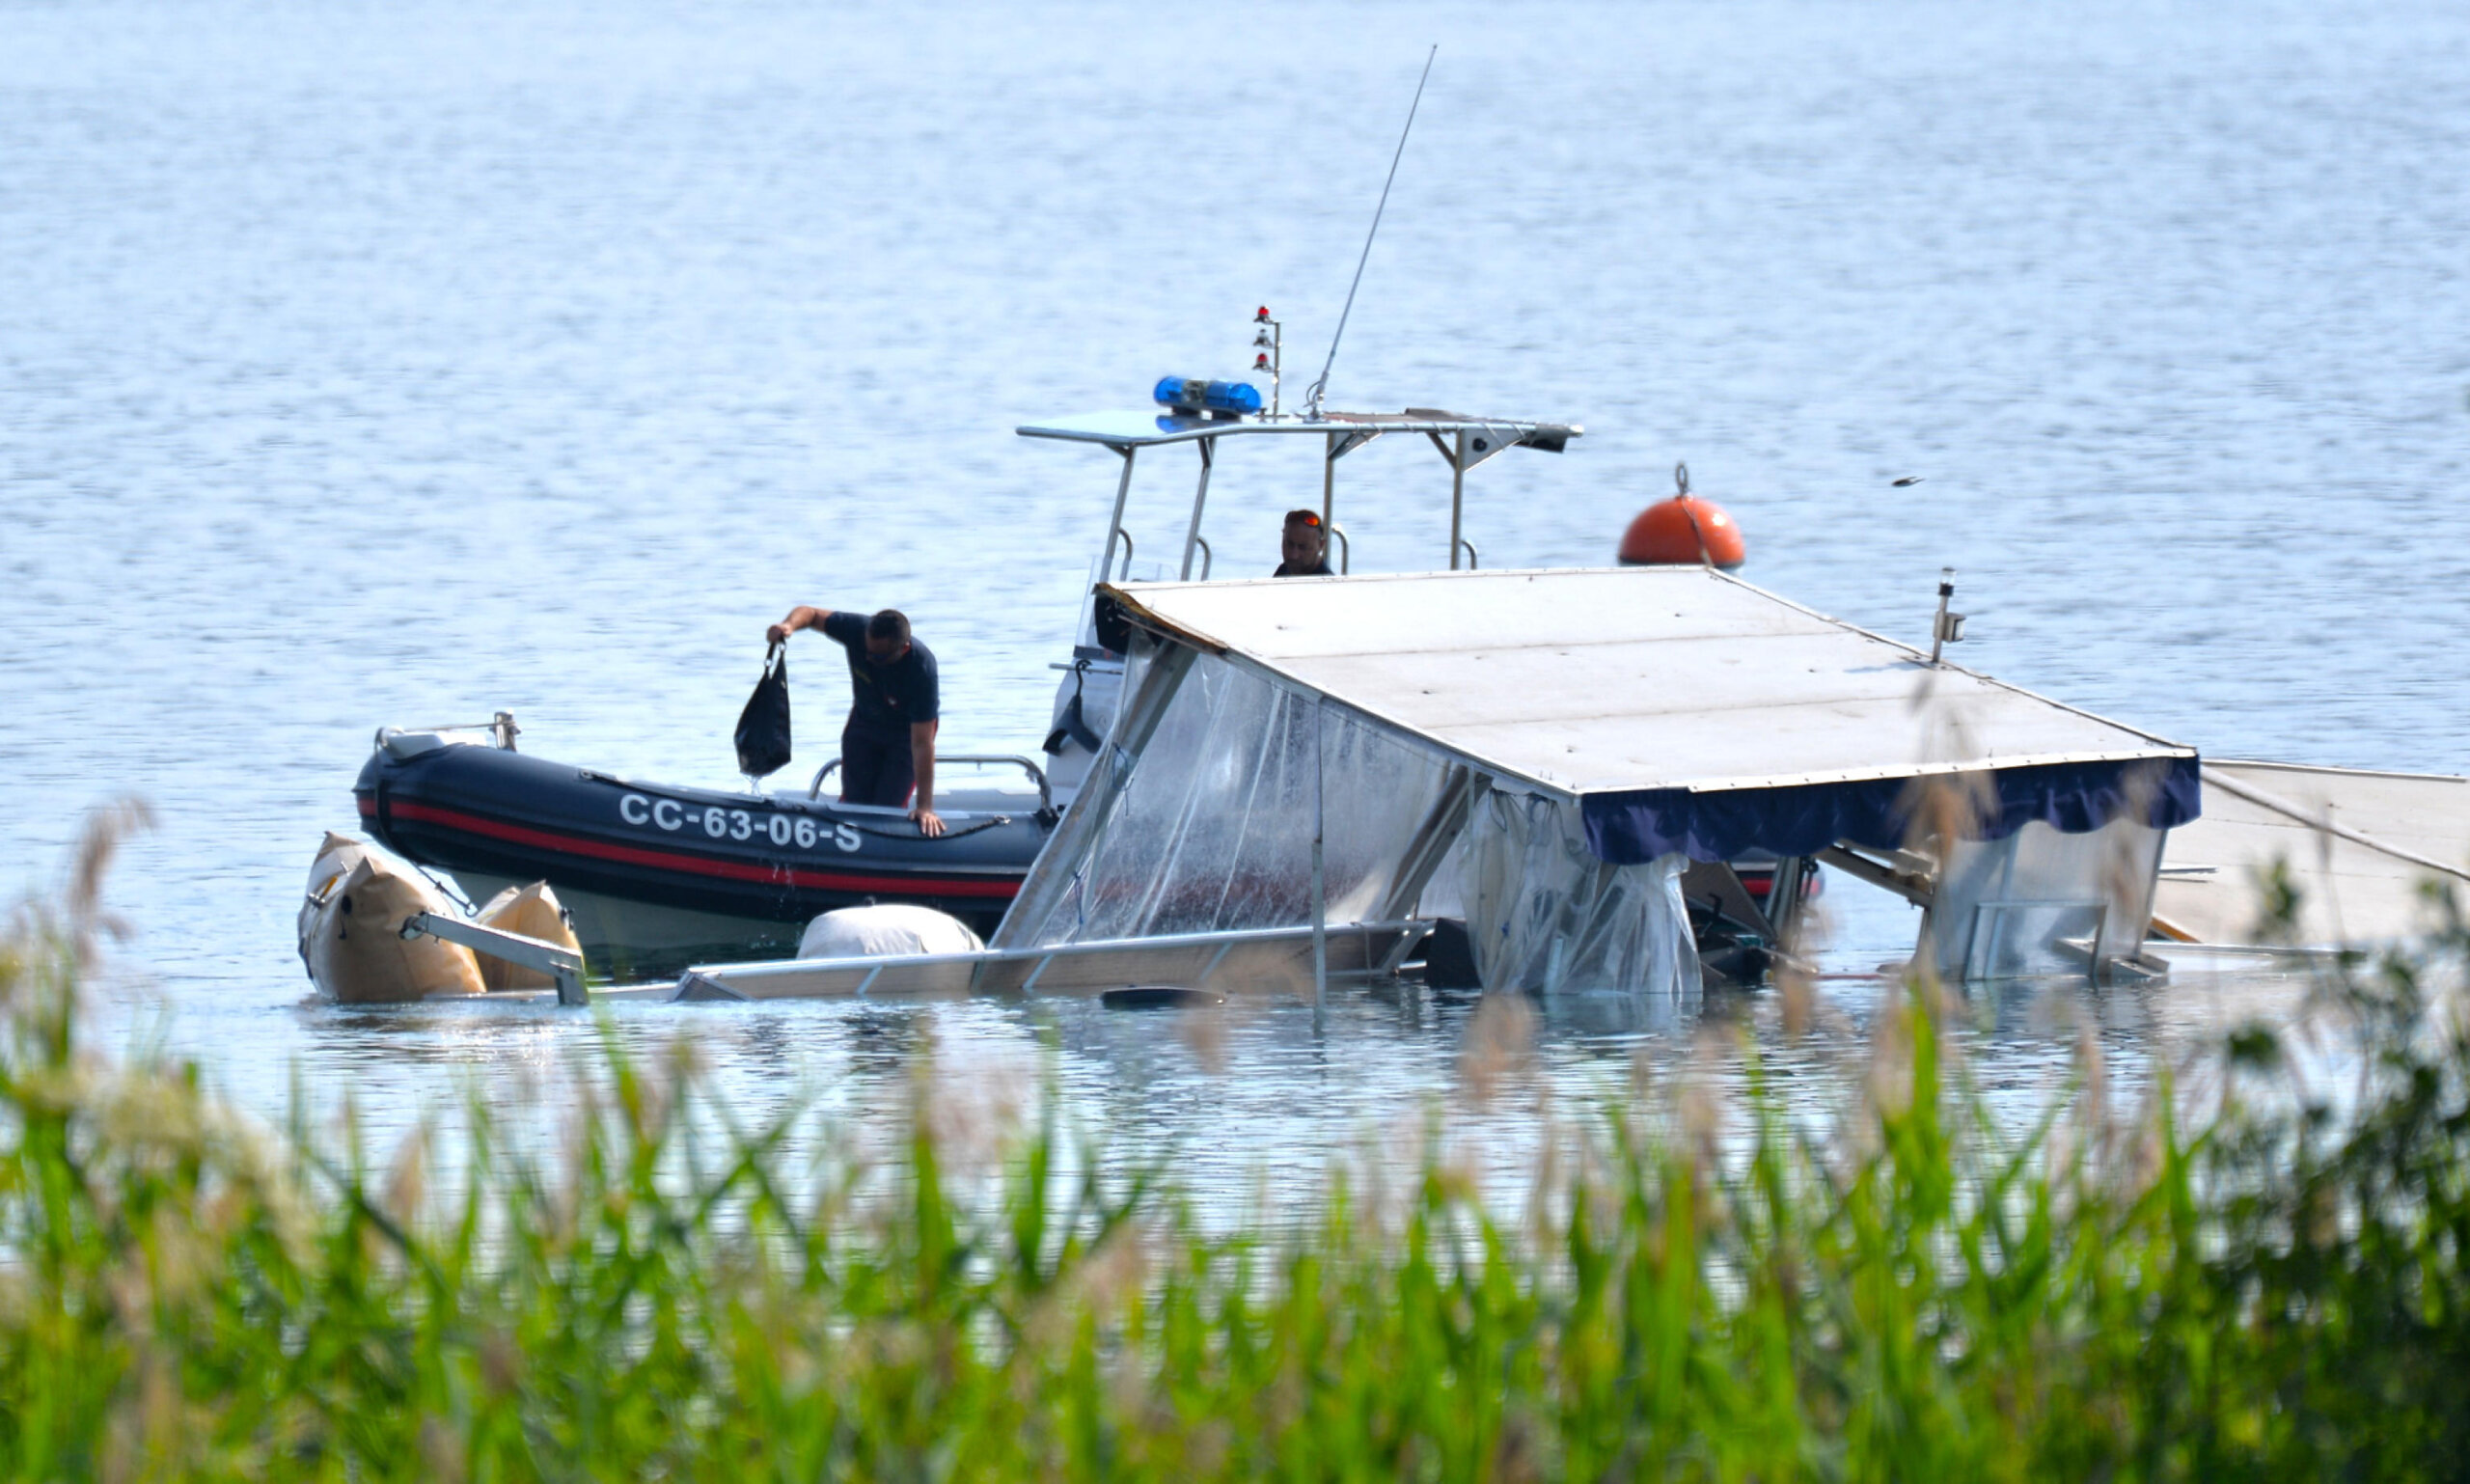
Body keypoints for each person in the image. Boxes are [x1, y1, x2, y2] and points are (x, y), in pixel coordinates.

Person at [765, 605, 945, 837]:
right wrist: (788, 625)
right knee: (854, 803)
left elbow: (922, 743)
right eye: (866, 652)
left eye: (878, 657)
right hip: (864, 725)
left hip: (904, 736)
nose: (869, 659)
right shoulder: (856, 630)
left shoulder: (922, 669)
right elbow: (809, 614)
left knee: (885, 809)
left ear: (904, 649)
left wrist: (925, 807)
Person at [1275, 508, 1335, 577]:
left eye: (1303, 548)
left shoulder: (1327, 583)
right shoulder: (1283, 570)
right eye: (1289, 545)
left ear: (1321, 545)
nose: (1294, 555)